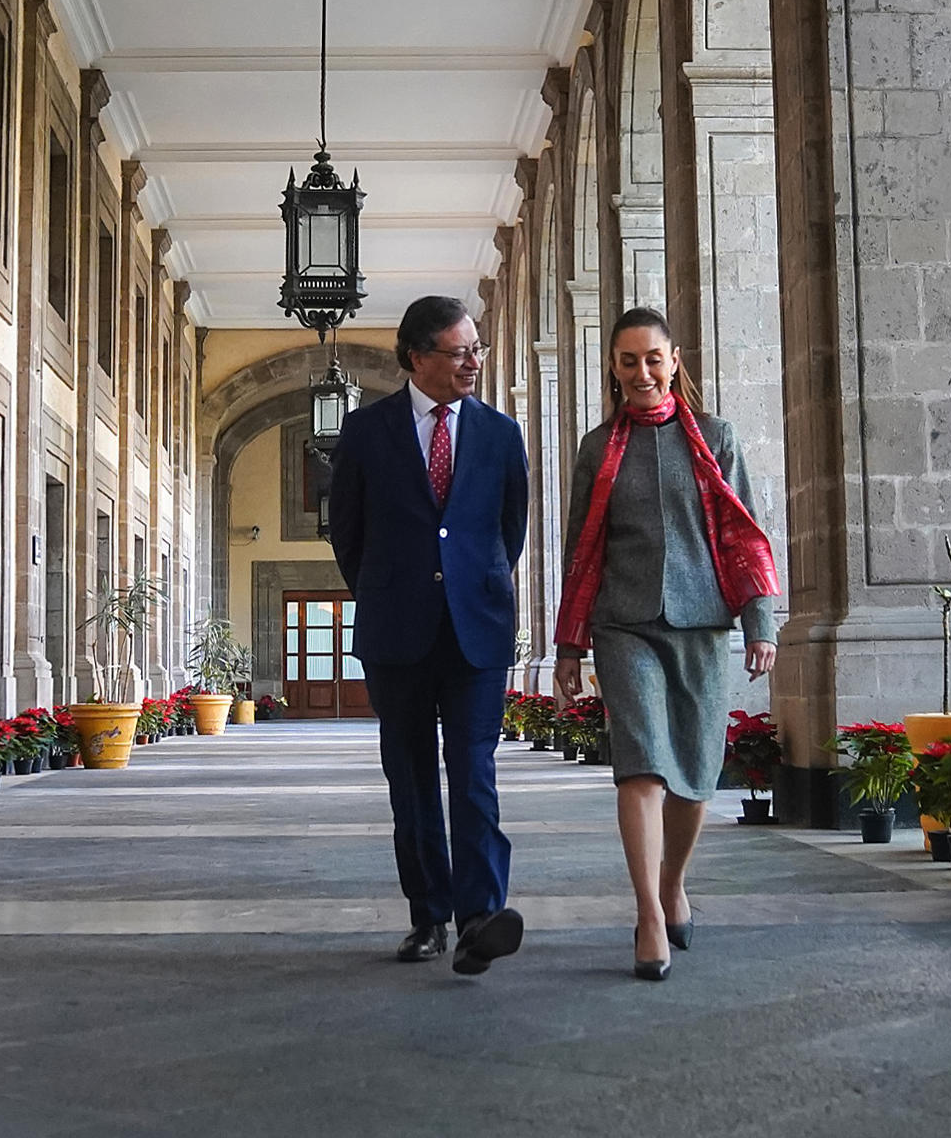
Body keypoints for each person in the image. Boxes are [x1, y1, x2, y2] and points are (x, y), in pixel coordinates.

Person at [553, 307, 779, 981]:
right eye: (629, 361)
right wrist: (569, 644)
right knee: (643, 766)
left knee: (695, 776)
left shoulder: (715, 437)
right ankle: (649, 911)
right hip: (623, 624)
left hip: (704, 622)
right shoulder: (597, 447)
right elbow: (579, 549)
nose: (642, 372)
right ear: (614, 368)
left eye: (653, 358)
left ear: (674, 359)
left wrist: (760, 621)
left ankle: (674, 879)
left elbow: (744, 531)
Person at [328, 296, 530, 975]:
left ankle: (480, 915)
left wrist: (474, 587)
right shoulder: (365, 431)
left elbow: (510, 531)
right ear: (417, 357)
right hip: (397, 633)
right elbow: (348, 535)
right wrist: (390, 589)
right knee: (411, 778)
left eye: (476, 349)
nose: (472, 361)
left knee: (474, 770)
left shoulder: (502, 435)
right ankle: (429, 915)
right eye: (458, 350)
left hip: (477, 632)